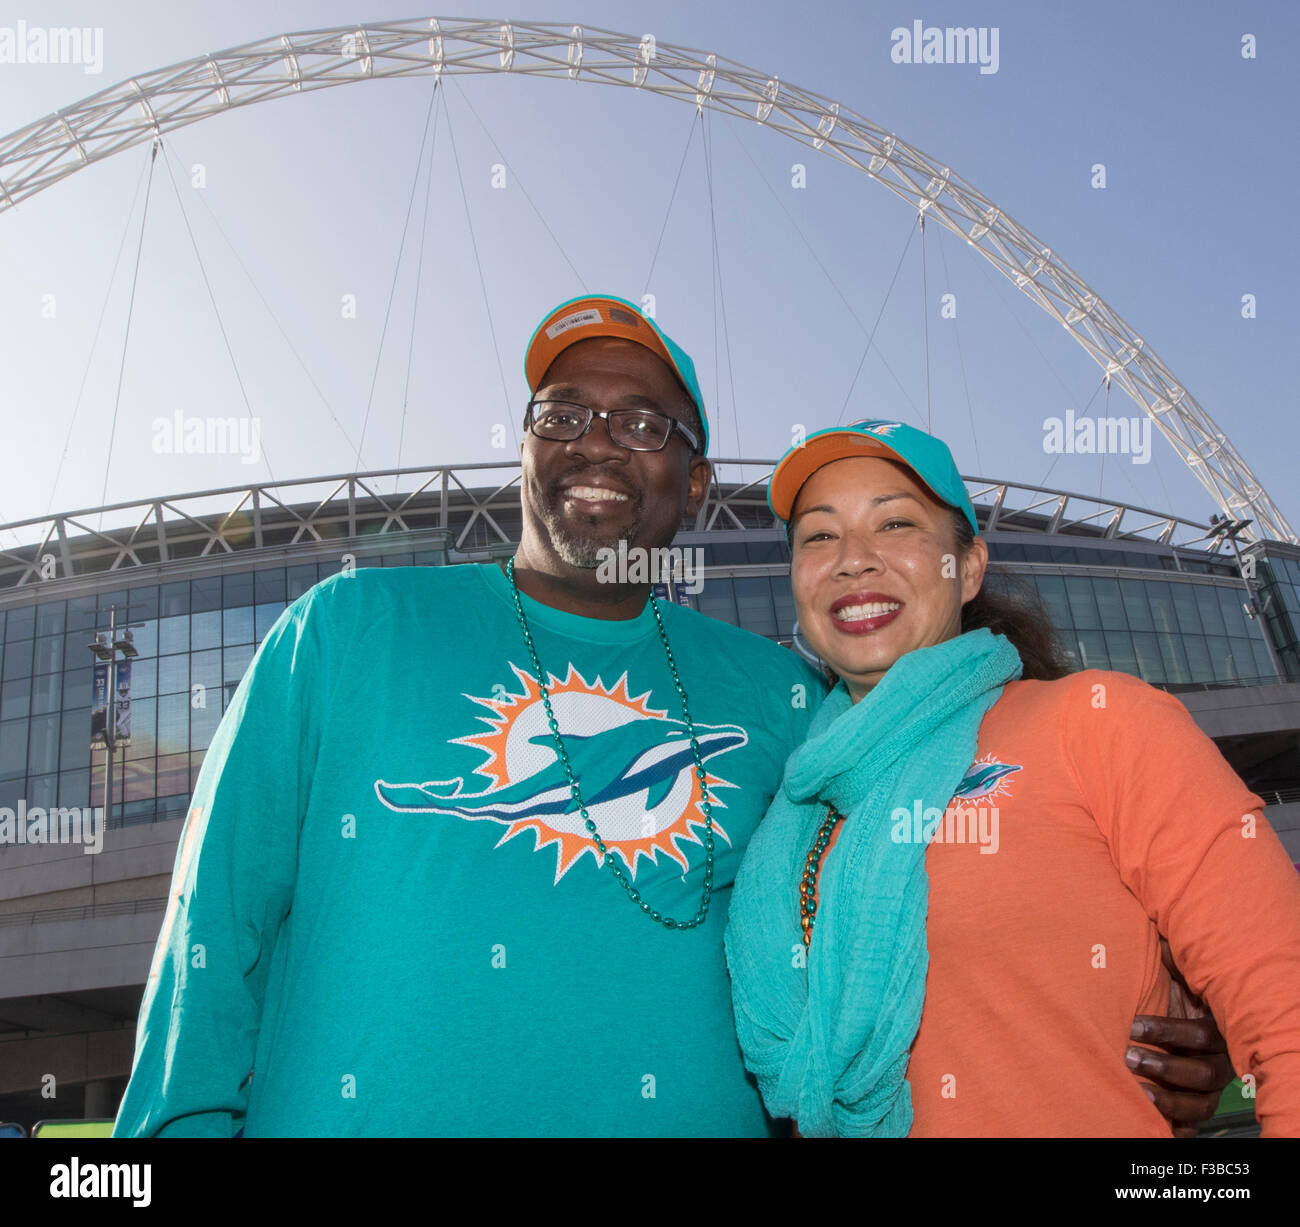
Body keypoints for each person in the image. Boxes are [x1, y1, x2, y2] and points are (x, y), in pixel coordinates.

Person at [113, 301, 1230, 1137]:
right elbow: (212, 937)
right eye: (564, 412)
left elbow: (925, 911)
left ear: (694, 486)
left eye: (644, 422)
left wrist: (1152, 1003)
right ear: (526, 445)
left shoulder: (789, 697)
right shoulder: (350, 628)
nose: (597, 440)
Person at [725, 419, 1300, 1137]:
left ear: (967, 568)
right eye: (818, 535)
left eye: (895, 522)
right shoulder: (795, 803)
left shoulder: (1097, 722)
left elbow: (1284, 1005)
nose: (852, 560)